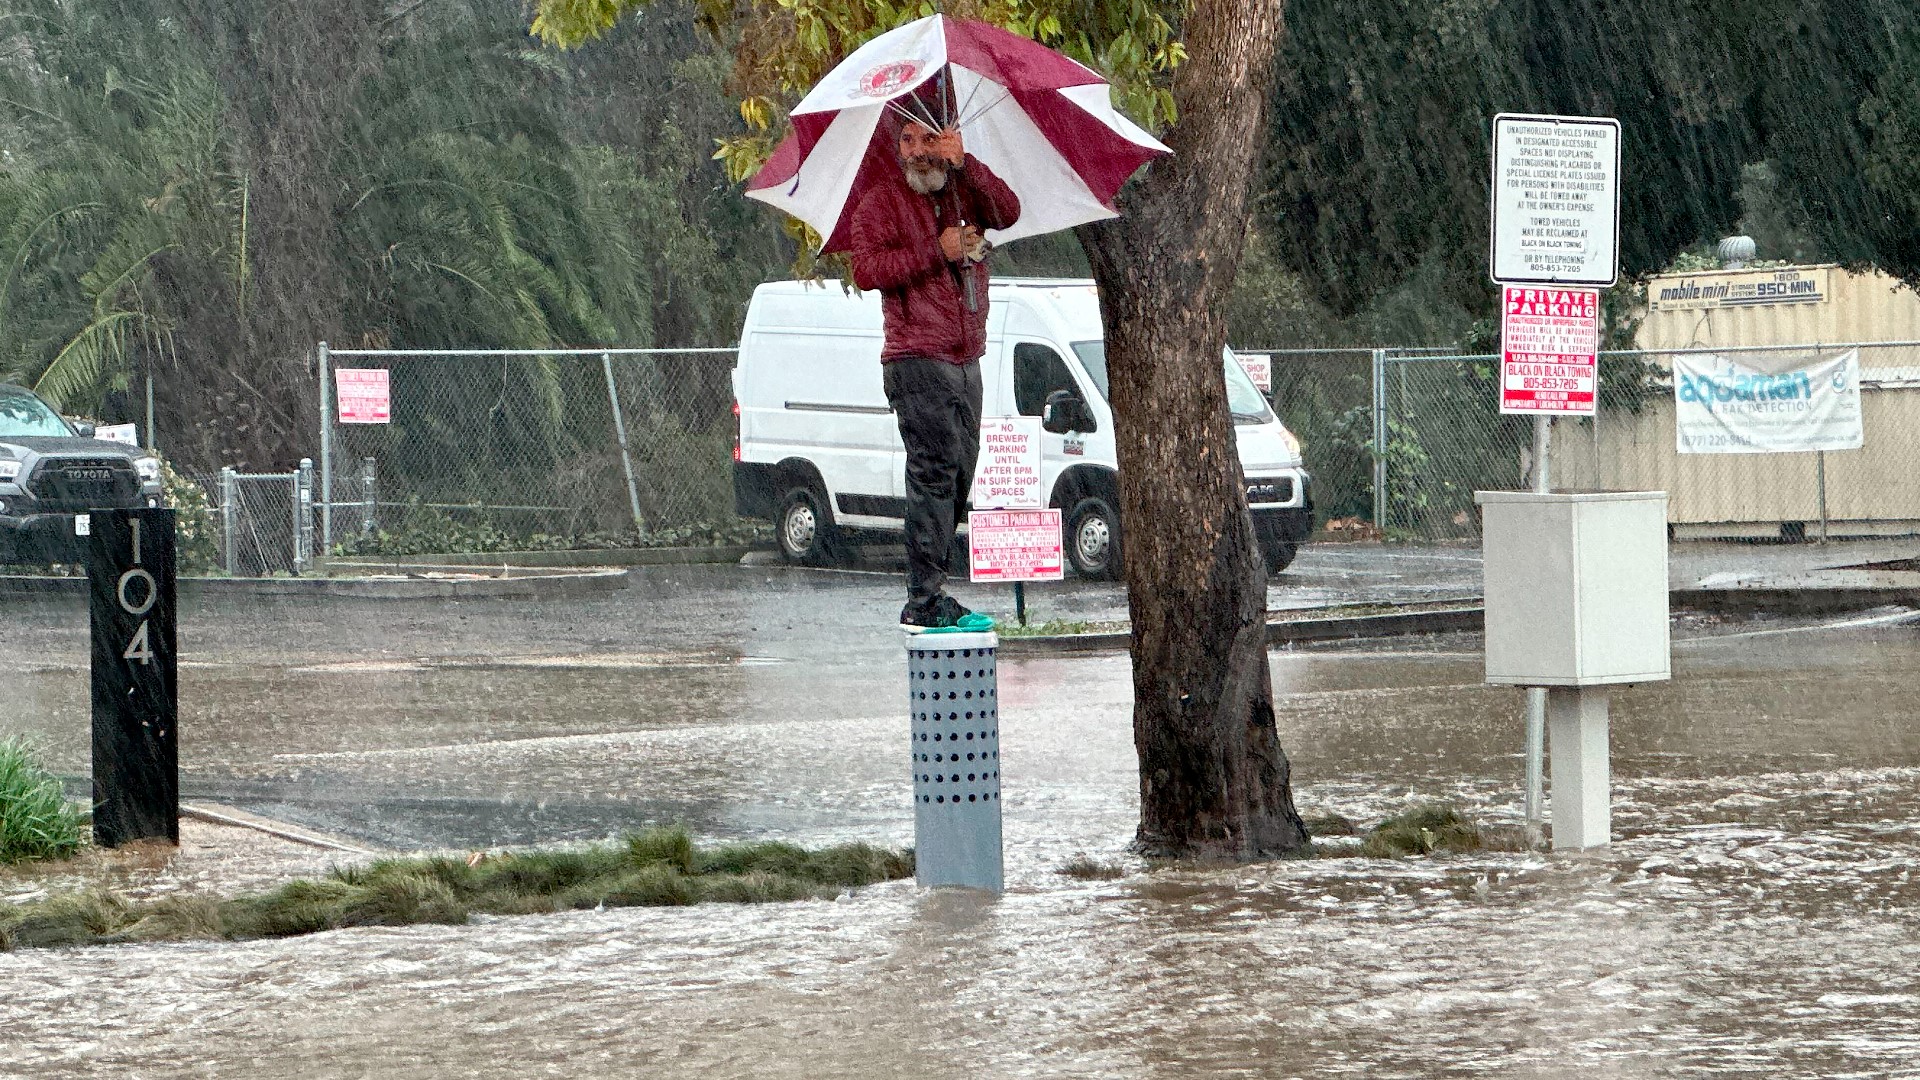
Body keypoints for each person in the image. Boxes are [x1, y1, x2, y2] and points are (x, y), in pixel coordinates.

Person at [850, 109, 1021, 632]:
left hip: (967, 355)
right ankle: (923, 599)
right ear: (897, 147)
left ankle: (933, 589)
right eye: (909, 140)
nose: (920, 150)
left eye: (929, 138)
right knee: (933, 472)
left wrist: (966, 164)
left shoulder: (961, 191)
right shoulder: (880, 202)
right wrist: (935, 250)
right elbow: (867, 270)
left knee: (960, 471)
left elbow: (1008, 211)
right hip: (916, 357)